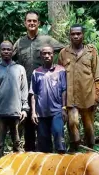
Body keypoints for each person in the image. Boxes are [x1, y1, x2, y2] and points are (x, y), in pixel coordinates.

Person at [13, 10, 64, 152]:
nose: (32, 23)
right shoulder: (20, 42)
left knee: (43, 121)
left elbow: (65, 49)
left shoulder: (46, 40)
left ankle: (48, 153)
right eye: (29, 21)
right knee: (28, 121)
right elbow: (8, 57)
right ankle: (30, 153)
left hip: (44, 90)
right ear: (25, 23)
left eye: (34, 21)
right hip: (25, 90)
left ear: (38, 23)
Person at [58, 24, 99, 152]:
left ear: (83, 35)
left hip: (88, 97)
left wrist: (97, 96)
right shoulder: (64, 53)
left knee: (89, 128)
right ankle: (75, 150)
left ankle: (90, 151)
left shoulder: (91, 51)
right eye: (73, 34)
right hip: (70, 99)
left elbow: (98, 75)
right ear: (70, 36)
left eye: (78, 34)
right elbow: (59, 77)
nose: (76, 36)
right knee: (72, 123)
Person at [0, 41, 29, 159]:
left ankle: (17, 171)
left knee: (17, 144)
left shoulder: (20, 69)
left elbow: (24, 90)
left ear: (12, 51)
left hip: (17, 113)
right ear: (0, 52)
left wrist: (25, 108)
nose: (6, 51)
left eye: (9, 49)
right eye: (4, 49)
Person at [29, 45, 67, 153]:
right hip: (41, 113)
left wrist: (64, 108)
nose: (47, 56)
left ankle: (62, 167)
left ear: (53, 55)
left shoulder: (61, 70)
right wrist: (33, 112)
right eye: (44, 53)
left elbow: (64, 90)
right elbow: (33, 93)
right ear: (40, 56)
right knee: (44, 145)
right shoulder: (36, 72)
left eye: (49, 53)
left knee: (59, 139)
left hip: (57, 112)